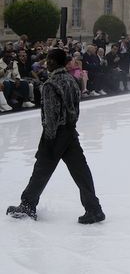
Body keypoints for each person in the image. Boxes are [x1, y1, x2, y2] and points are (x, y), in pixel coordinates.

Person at [6, 49, 105, 223]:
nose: (46, 63)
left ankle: (28, 205)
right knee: (80, 171)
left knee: (41, 170)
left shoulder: (51, 84)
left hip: (56, 134)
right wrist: (70, 128)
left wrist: (49, 140)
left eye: (48, 60)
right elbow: (76, 107)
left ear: (53, 62)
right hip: (69, 131)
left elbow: (51, 114)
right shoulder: (72, 80)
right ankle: (94, 208)